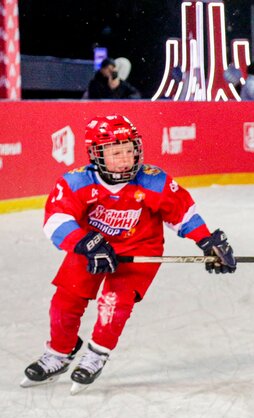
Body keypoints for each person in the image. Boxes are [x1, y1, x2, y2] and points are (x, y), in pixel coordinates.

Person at [22, 115, 236, 395]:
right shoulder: (76, 182)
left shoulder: (152, 180)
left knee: (114, 304)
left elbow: (182, 213)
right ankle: (60, 353)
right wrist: (86, 243)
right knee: (64, 302)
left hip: (139, 249)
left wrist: (207, 241)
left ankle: (97, 353)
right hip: (91, 247)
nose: (125, 159)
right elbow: (56, 220)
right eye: (115, 153)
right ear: (96, 155)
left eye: (129, 150)